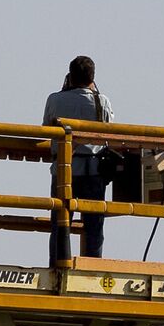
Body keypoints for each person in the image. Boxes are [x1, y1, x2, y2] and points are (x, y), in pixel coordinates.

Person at [42, 56, 117, 261]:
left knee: (60, 223)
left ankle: (57, 264)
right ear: (92, 78)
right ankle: (92, 267)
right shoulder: (103, 101)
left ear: (70, 76)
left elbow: (46, 130)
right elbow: (110, 134)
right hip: (94, 171)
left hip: (63, 171)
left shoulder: (55, 99)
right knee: (94, 226)